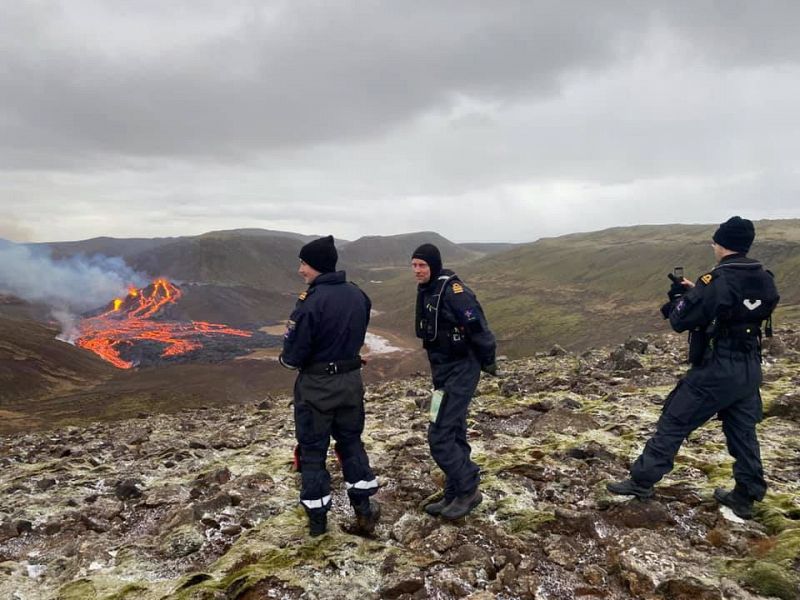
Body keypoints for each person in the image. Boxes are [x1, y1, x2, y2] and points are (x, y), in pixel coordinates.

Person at [607, 217, 780, 519]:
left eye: (715, 242)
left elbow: (679, 320)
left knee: (675, 420)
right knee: (743, 432)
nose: (713, 246)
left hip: (716, 369)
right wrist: (697, 294)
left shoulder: (714, 281)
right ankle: (746, 495)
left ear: (721, 244)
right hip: (750, 367)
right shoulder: (764, 277)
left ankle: (641, 481)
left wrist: (682, 298)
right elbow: (738, 309)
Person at [279, 235, 379, 536]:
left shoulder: (310, 303)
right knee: (351, 443)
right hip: (350, 384)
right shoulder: (358, 295)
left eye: (304, 264)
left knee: (312, 451)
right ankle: (364, 511)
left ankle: (318, 526)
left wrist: (287, 359)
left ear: (318, 266)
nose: (300, 270)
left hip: (317, 389)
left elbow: (294, 355)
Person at [411, 243, 497, 520]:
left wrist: (487, 359)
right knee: (454, 429)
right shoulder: (428, 291)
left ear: (433, 265)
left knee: (440, 434)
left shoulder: (454, 293)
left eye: (422, 265)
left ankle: (469, 488)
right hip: (443, 373)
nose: (417, 270)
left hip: (462, 369)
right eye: (414, 265)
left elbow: (476, 326)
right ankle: (454, 492)